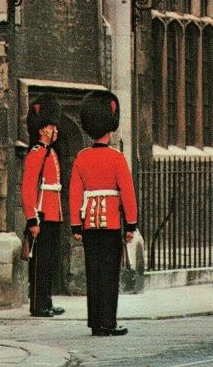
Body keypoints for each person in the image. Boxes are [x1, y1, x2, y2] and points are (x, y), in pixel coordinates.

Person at [69, 90, 137, 336]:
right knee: (109, 275)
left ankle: (95, 322)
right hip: (110, 224)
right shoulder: (116, 158)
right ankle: (108, 322)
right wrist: (131, 225)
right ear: (110, 127)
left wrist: (76, 225)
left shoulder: (81, 158)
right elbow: (127, 193)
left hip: (88, 224)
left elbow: (75, 194)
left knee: (93, 274)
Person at [22, 94, 65, 318]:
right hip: (42, 213)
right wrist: (32, 218)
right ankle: (38, 304)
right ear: (41, 130)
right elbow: (29, 188)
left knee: (49, 261)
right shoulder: (37, 153)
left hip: (53, 212)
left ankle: (46, 300)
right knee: (39, 261)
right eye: (51, 126)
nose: (55, 130)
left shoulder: (51, 153)